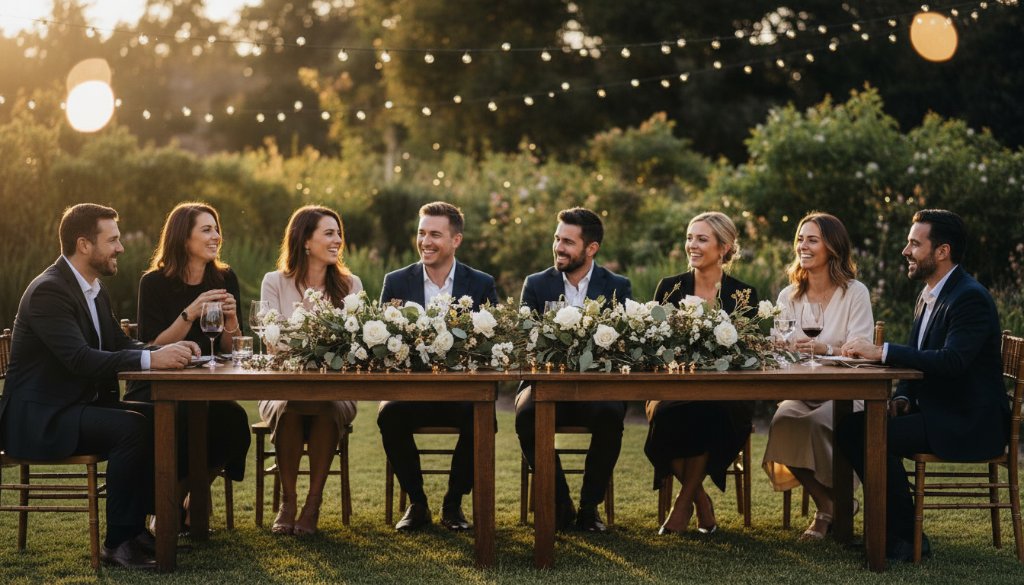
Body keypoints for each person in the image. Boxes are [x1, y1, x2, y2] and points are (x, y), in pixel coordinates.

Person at [0, 204, 198, 570]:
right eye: (113, 240)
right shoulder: (48, 292)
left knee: (164, 417)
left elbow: (117, 345)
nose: (121, 248)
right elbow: (79, 358)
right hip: (41, 419)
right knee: (132, 427)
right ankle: (118, 543)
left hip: (75, 407)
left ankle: (137, 532)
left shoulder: (94, 290)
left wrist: (166, 350)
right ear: (84, 244)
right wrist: (153, 360)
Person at [838, 209, 1010, 562]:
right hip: (936, 410)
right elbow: (921, 355)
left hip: (967, 421)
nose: (906, 250)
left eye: (915, 243)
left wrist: (881, 351)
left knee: (865, 433)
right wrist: (902, 396)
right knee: (853, 427)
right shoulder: (930, 294)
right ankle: (896, 531)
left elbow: (951, 361)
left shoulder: (969, 298)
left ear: (942, 251)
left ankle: (902, 537)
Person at [126, 202, 251, 533]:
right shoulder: (153, 283)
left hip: (207, 387)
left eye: (217, 228)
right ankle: (168, 507)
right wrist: (190, 312)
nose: (216, 236)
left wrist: (232, 319)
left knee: (234, 420)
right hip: (158, 385)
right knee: (181, 419)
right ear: (184, 238)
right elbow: (152, 345)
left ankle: (186, 497)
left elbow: (230, 348)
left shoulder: (225, 277)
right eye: (206, 230)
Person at [377, 201, 499, 532]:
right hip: (411, 393)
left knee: (482, 416)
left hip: (462, 392)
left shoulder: (481, 284)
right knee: (389, 415)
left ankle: (454, 503)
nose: (425, 242)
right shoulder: (397, 282)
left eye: (435, 234)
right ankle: (417, 503)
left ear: (456, 240)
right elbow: (381, 343)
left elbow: (492, 342)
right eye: (421, 233)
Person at [516, 206, 632, 532]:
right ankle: (560, 503)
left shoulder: (617, 286)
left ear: (591, 248)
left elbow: (621, 343)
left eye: (568, 241)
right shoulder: (536, 284)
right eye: (557, 239)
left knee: (612, 414)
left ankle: (590, 507)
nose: (559, 247)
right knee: (526, 416)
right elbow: (527, 337)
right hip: (544, 383)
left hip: (597, 387)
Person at [760, 212, 874, 539]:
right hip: (802, 389)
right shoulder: (788, 296)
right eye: (800, 239)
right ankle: (832, 504)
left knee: (814, 423)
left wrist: (823, 349)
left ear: (832, 247)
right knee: (784, 421)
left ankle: (825, 513)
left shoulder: (855, 293)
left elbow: (860, 348)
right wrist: (780, 347)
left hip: (847, 392)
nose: (802, 246)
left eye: (812, 240)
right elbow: (782, 349)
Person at [645, 211, 757, 535]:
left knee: (713, 412)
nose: (692, 245)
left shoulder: (743, 295)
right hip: (672, 387)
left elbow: (747, 353)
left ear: (724, 247)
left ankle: (681, 506)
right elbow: (655, 344)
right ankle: (700, 501)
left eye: (701, 239)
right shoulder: (669, 288)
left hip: (727, 393)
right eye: (690, 237)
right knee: (666, 414)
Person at [258, 205, 361, 536]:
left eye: (339, 233)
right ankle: (288, 503)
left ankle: (312, 504)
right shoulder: (274, 282)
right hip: (281, 390)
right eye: (329, 233)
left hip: (337, 392)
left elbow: (352, 346)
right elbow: (272, 342)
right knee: (290, 408)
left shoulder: (350, 285)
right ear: (305, 241)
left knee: (326, 408)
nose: (337, 241)